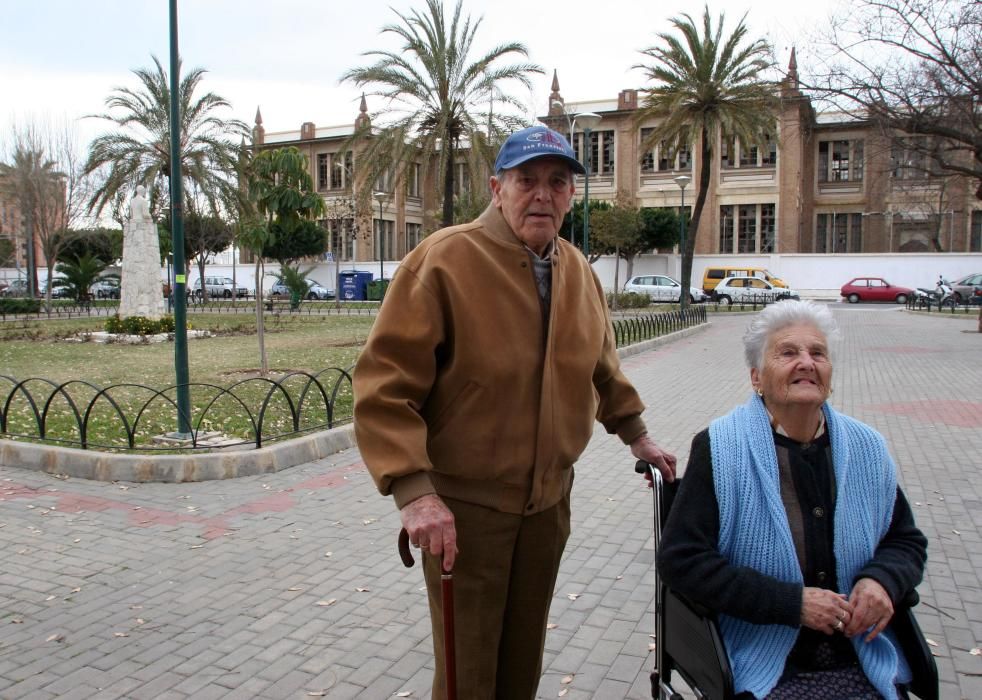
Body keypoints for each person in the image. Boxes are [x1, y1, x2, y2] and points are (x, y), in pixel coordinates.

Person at [353, 124, 677, 699]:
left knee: (520, 667)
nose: (543, 195)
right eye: (527, 180)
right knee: (467, 676)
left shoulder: (577, 270)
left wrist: (636, 434)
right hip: (464, 513)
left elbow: (600, 366)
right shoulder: (443, 261)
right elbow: (384, 387)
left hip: (548, 506)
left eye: (558, 182)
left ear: (572, 194)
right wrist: (414, 491)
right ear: (496, 186)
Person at [657, 300, 927, 700]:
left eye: (817, 353)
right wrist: (792, 603)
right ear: (756, 378)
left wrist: (882, 581)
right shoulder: (719, 447)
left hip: (861, 655)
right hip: (765, 664)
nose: (806, 362)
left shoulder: (867, 448)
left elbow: (905, 540)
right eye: (788, 353)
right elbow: (682, 560)